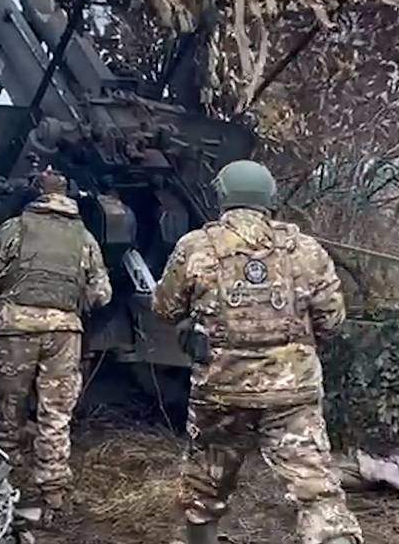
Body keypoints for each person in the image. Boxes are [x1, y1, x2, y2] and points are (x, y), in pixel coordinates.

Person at [152, 159, 363, 544]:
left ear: (223, 196)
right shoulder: (306, 249)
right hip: (292, 394)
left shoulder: (196, 246)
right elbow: (332, 320)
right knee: (316, 491)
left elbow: (164, 309)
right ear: (270, 197)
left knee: (204, 488)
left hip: (222, 389)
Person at [0, 169, 112, 521]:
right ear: (67, 196)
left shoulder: (16, 228)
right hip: (64, 332)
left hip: (16, 328)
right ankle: (52, 496)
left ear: (35, 194)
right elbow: (102, 293)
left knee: (9, 408)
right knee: (55, 415)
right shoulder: (83, 237)